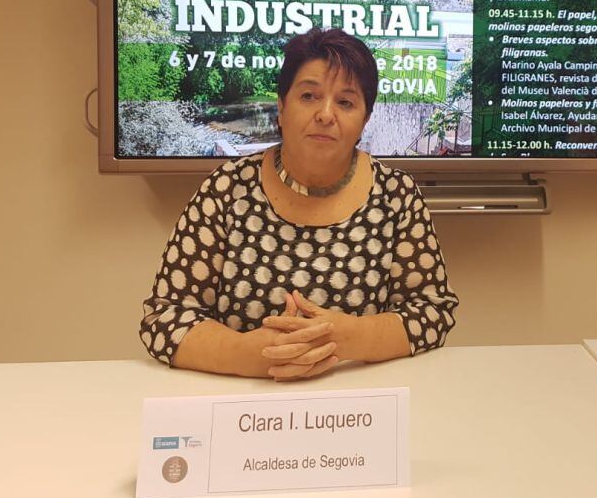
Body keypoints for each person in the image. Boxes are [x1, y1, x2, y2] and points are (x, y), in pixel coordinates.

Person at [139, 28, 459, 380]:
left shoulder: (397, 195)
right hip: (246, 408)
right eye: (309, 96)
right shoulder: (227, 188)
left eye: (346, 102)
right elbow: (165, 319)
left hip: (361, 410)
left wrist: (341, 338)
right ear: (281, 105)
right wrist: (258, 355)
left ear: (364, 119)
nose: (325, 114)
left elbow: (432, 313)